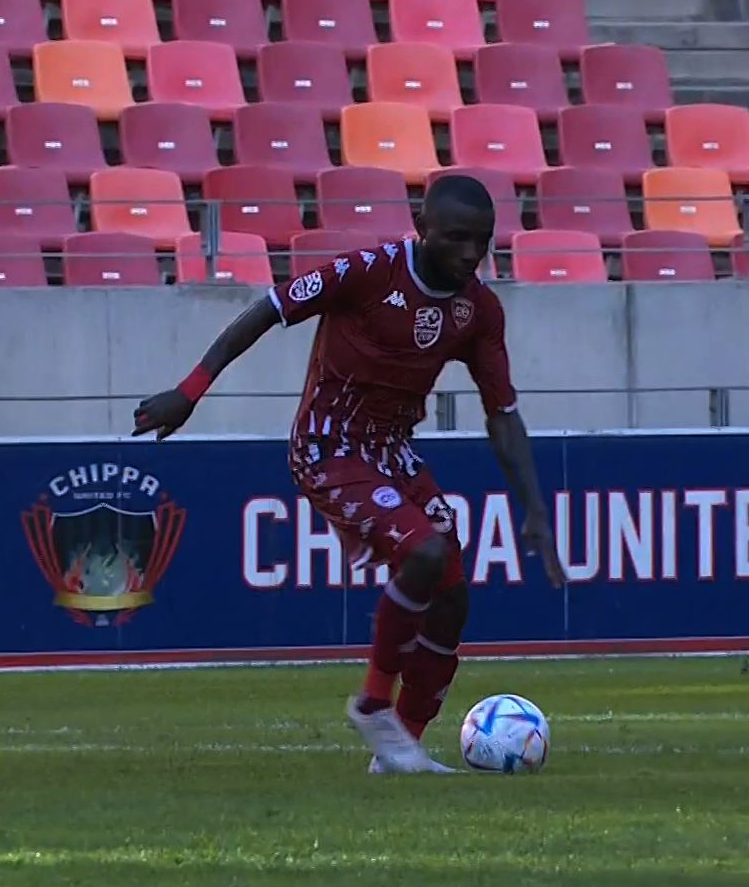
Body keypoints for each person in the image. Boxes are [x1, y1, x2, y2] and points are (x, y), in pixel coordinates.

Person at [132, 175, 568, 775]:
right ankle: (372, 704)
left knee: (453, 595)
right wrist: (189, 391)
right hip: (327, 446)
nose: (472, 253)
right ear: (423, 230)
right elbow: (266, 310)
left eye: (483, 241)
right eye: (457, 238)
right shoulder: (367, 272)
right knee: (425, 553)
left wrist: (536, 509)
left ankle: (401, 750)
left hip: (393, 452)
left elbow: (504, 415)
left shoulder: (479, 310)